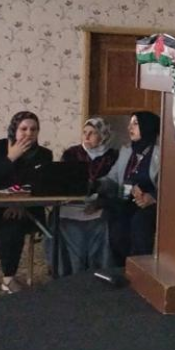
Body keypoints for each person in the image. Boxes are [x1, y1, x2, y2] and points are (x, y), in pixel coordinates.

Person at [0, 111, 53, 293]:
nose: (29, 133)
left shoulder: (43, 154)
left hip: (24, 209)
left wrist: (21, 204)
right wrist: (10, 158)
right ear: (14, 129)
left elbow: (40, 187)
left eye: (34, 129)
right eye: (24, 129)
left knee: (11, 227)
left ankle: (8, 279)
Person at [46, 117, 119, 276]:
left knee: (103, 223)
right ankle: (65, 270)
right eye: (84, 132)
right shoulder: (71, 154)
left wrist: (100, 202)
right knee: (58, 221)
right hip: (72, 203)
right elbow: (62, 182)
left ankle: (99, 270)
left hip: (100, 204)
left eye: (93, 133)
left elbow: (115, 185)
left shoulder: (113, 156)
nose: (87, 136)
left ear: (103, 135)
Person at [99, 111, 160, 266]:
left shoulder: (161, 154)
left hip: (149, 205)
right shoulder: (126, 151)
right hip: (124, 199)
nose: (129, 127)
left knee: (140, 222)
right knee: (113, 218)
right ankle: (118, 268)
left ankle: (141, 269)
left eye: (135, 123)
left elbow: (172, 185)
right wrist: (95, 184)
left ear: (147, 127)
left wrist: (152, 197)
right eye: (130, 123)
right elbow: (112, 178)